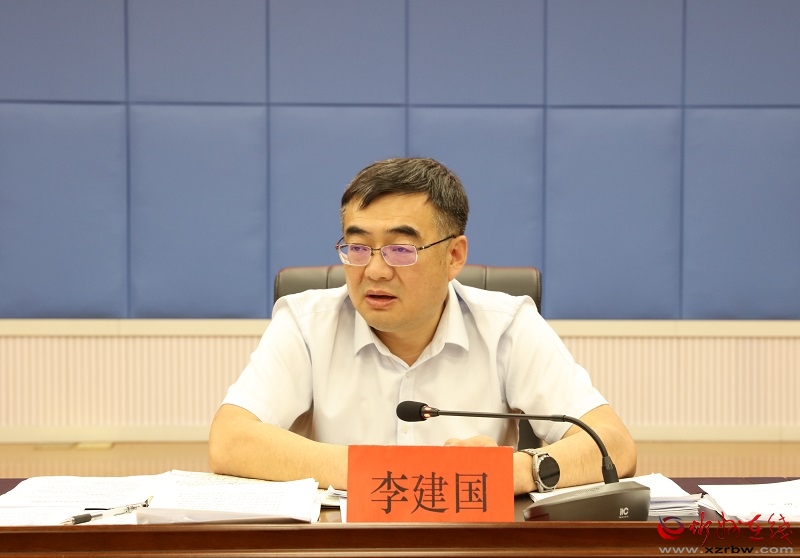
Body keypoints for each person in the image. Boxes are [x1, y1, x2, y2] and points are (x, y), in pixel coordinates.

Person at [209, 157, 636, 495]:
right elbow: (231, 440)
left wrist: (519, 470)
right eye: (357, 247)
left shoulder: (507, 326)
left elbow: (613, 445)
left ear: (454, 256)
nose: (374, 271)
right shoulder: (306, 324)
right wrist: (387, 472)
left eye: (400, 249)